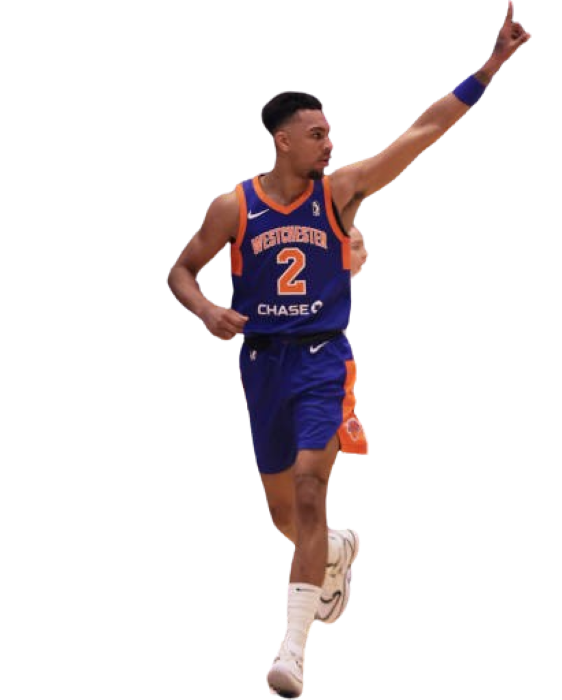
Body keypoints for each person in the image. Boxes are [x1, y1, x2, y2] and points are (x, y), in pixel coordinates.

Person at [166, 4, 531, 696]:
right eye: (317, 135)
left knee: (311, 492)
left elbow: (422, 133)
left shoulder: (339, 194)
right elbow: (180, 270)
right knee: (287, 516)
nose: (330, 144)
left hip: (323, 361)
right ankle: (335, 549)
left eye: (331, 133)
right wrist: (207, 309)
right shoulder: (233, 207)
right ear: (281, 141)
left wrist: (489, 67)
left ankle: (292, 650)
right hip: (261, 364)